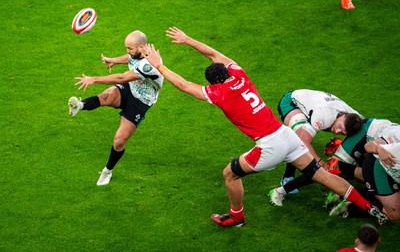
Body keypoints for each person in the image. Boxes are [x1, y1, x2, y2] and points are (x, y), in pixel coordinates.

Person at [143, 27, 388, 227]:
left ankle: (236, 216)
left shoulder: (219, 93)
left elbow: (185, 85)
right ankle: (370, 208)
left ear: (213, 82)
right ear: (227, 73)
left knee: (230, 173)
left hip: (270, 144)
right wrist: (188, 40)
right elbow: (215, 55)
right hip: (287, 136)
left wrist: (159, 65)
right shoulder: (239, 75)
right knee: (322, 175)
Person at [68, 30, 164, 186]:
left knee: (119, 141)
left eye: (130, 48)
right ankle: (80, 105)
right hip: (131, 88)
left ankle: (107, 171)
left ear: (141, 47)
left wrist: (94, 79)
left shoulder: (149, 64)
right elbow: (129, 58)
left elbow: (123, 77)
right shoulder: (137, 53)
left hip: (141, 101)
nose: (127, 51)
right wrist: (113, 60)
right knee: (108, 95)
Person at [278, 89, 363, 193]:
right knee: (298, 136)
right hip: (292, 102)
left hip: (314, 103)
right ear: (343, 116)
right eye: (340, 127)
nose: (337, 131)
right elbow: (302, 141)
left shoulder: (355, 118)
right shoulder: (324, 117)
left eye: (342, 133)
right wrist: (321, 164)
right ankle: (287, 177)